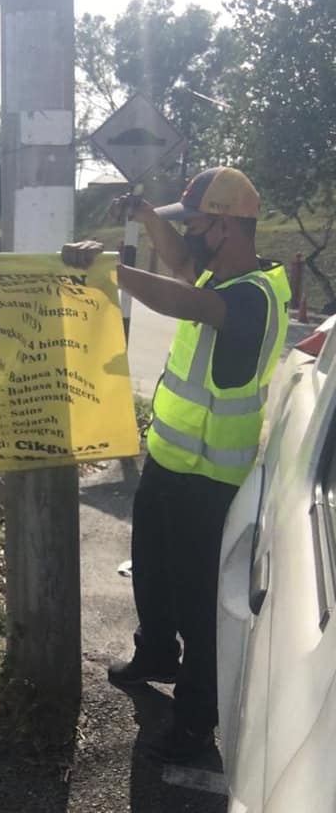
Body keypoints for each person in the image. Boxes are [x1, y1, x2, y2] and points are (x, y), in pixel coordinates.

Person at [62, 166, 291, 763]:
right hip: (169, 460)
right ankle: (156, 653)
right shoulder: (221, 273)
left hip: (210, 480)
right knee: (153, 573)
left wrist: (111, 271)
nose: (187, 237)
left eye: (195, 225)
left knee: (199, 604)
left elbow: (183, 298)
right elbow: (183, 265)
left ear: (224, 227)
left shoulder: (253, 296)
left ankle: (194, 723)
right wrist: (146, 219)